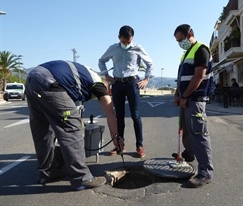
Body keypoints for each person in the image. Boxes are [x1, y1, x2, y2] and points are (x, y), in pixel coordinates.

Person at [25, 60, 120, 191]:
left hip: (32, 79)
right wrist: (116, 138)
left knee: (43, 131)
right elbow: (110, 112)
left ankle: (47, 172)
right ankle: (81, 178)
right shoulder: (98, 84)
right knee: (72, 128)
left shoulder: (82, 73)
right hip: (50, 82)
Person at [98, 25, 154, 158]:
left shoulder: (137, 48)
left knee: (135, 116)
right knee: (120, 116)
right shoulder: (112, 48)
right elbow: (101, 61)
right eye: (124, 42)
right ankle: (119, 144)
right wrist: (106, 75)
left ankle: (139, 145)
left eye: (129, 42)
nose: (126, 44)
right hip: (117, 83)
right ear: (119, 38)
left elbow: (150, 63)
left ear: (132, 38)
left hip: (132, 83)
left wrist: (147, 79)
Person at [172, 24, 214, 188]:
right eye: (177, 41)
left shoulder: (201, 49)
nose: (179, 43)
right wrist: (177, 93)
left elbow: (199, 76)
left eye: (181, 39)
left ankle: (205, 172)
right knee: (186, 130)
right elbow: (182, 77)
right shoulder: (186, 54)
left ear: (189, 34)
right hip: (185, 98)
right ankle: (189, 154)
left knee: (199, 134)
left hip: (195, 99)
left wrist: (186, 95)